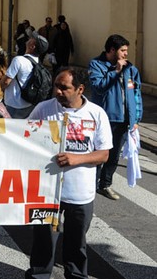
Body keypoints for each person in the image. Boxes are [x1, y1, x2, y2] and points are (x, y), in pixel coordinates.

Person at [25, 67, 112, 279]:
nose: (57, 91)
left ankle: (76, 275)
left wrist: (77, 159)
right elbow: (23, 137)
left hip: (80, 193)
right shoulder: (43, 109)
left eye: (64, 88)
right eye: (56, 85)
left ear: (80, 89)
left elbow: (103, 155)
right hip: (47, 192)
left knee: (76, 243)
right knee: (43, 243)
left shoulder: (96, 114)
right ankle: (39, 275)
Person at [89, 34, 143, 201]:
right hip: (105, 119)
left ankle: (105, 184)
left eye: (127, 50)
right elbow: (98, 88)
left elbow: (136, 95)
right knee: (99, 154)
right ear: (112, 50)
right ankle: (90, 186)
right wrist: (115, 72)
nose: (126, 54)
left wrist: (136, 118)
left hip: (123, 120)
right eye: (123, 50)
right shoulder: (96, 65)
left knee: (113, 156)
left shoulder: (131, 69)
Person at [2, 32, 49, 118]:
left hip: (14, 105)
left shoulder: (18, 60)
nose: (29, 38)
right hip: (29, 104)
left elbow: (6, 82)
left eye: (32, 39)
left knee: (10, 129)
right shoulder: (38, 63)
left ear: (32, 46)